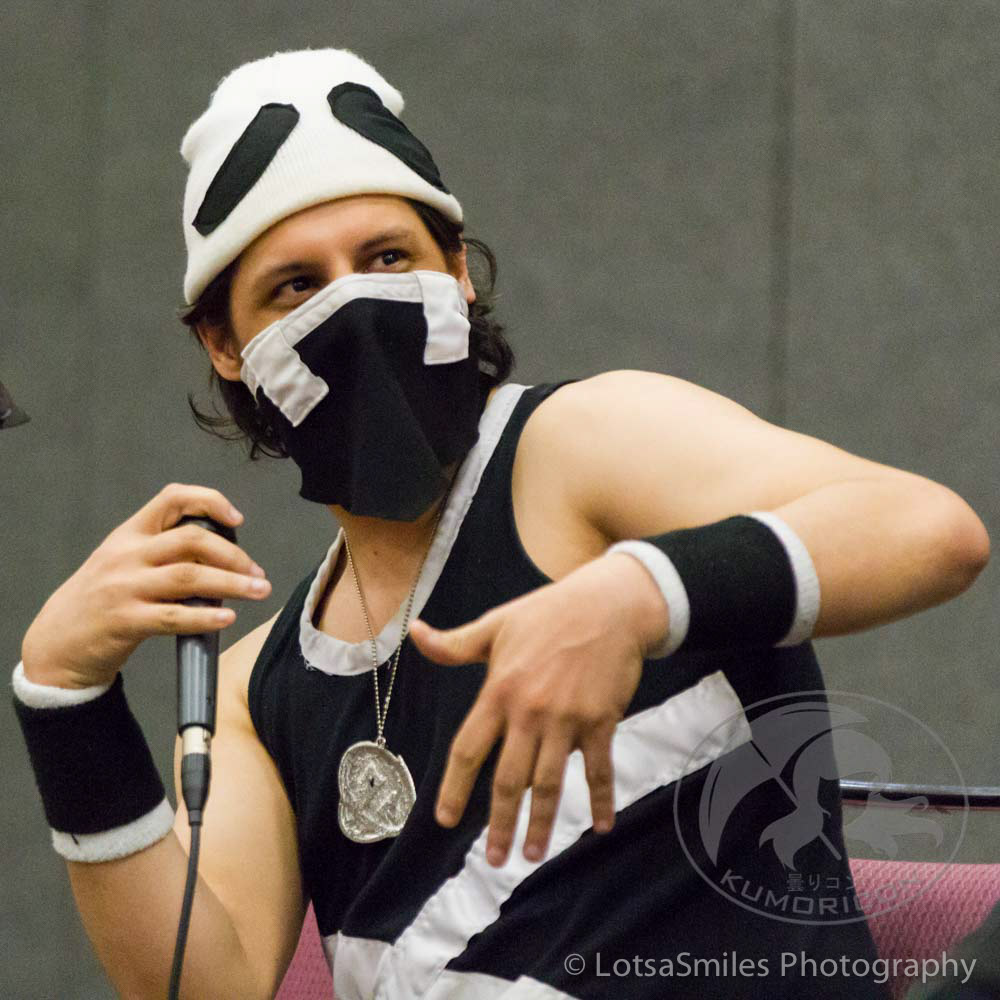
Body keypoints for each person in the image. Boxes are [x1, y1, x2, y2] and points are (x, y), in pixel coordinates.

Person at [12, 47, 991, 1000]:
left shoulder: (580, 447)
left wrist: (636, 596)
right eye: (296, 286)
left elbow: (925, 529)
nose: (356, 304)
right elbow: (197, 984)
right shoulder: (256, 688)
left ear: (458, 272)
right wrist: (64, 697)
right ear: (227, 346)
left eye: (388, 258)